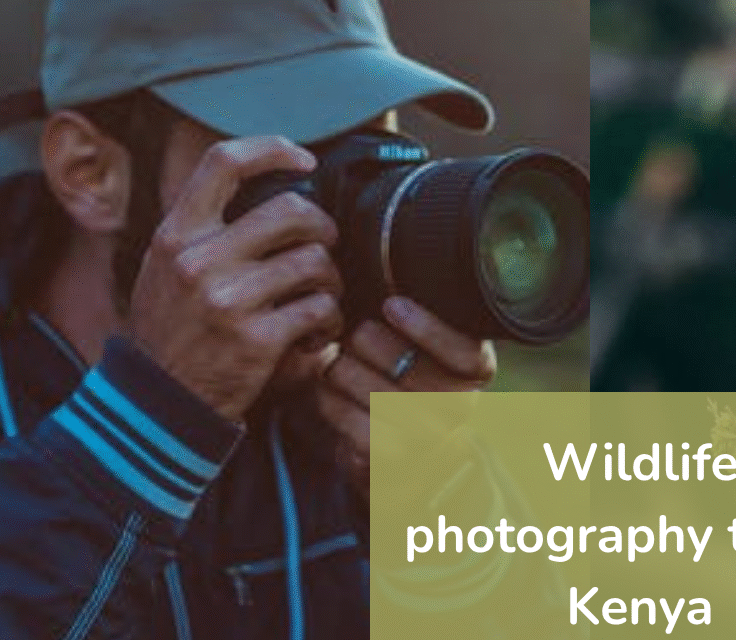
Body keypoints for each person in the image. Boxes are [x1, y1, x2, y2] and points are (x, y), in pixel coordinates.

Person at [0, 0, 504, 637]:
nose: (341, 217)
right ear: (89, 173)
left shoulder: (353, 413)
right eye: (286, 166)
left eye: (370, 158)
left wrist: (438, 511)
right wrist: (145, 427)